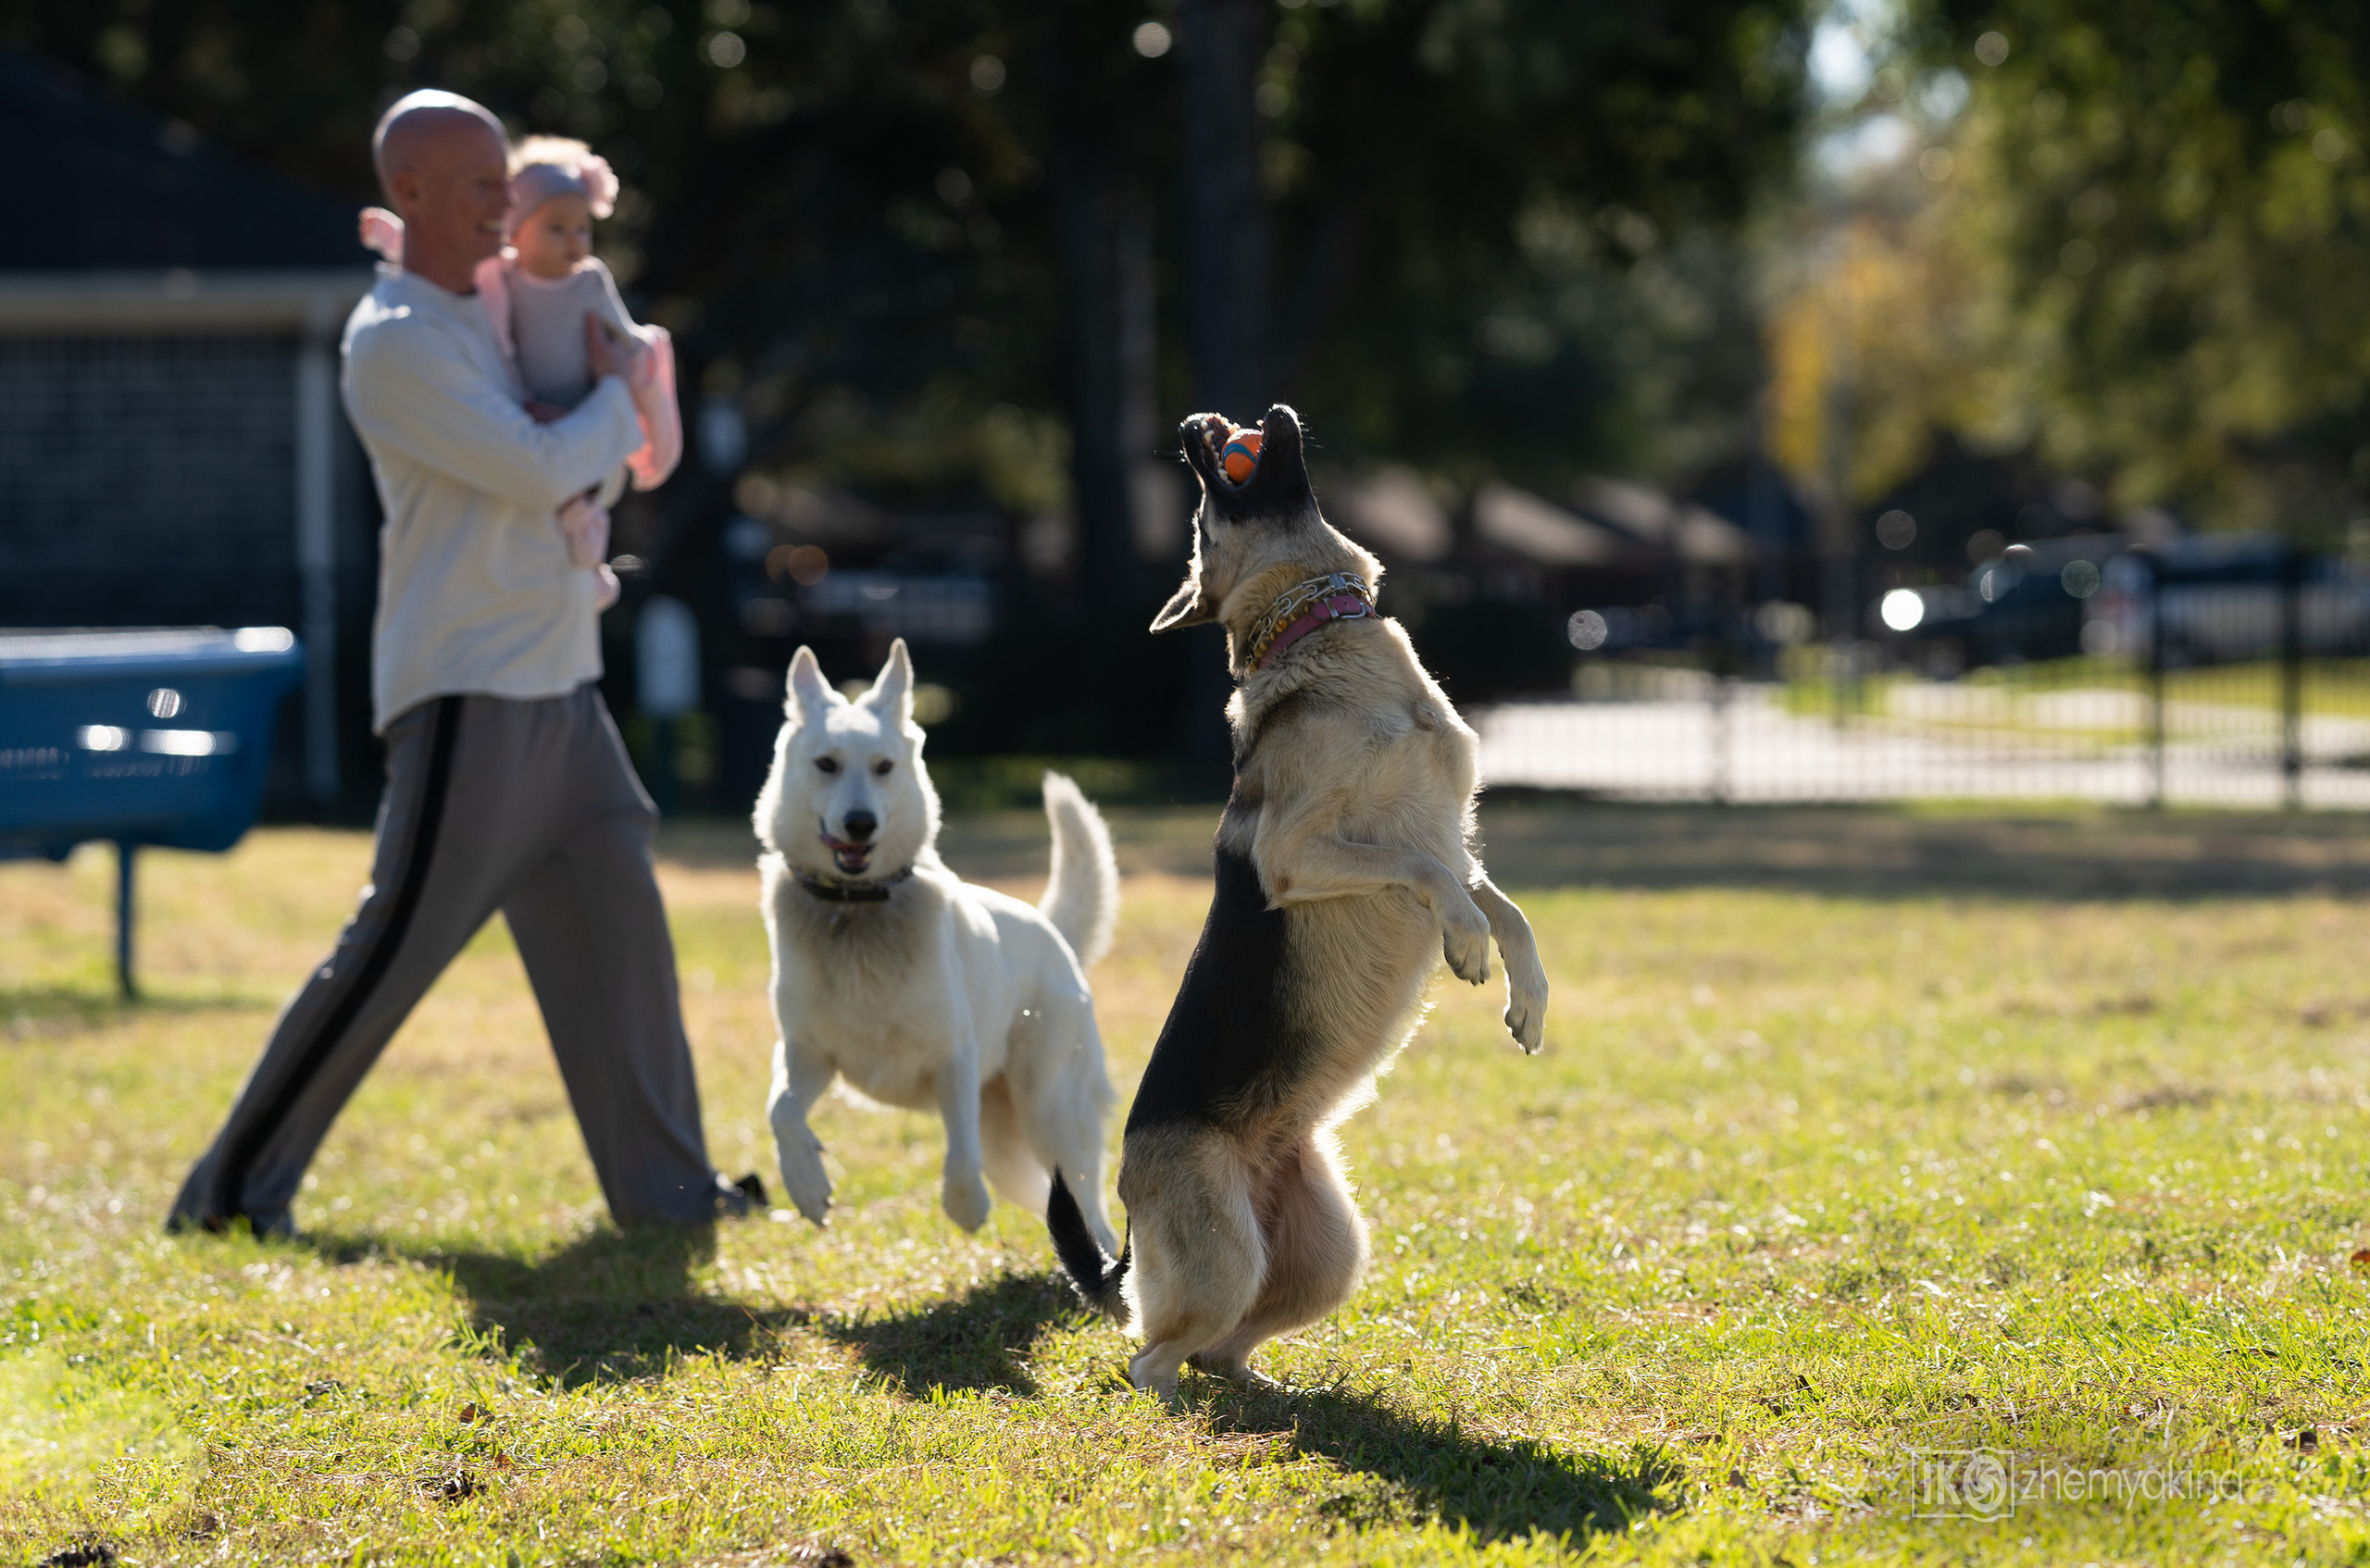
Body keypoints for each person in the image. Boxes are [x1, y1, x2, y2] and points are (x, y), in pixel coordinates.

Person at [168, 90, 752, 1236]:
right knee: (387, 952)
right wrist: (614, 391)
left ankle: (673, 1196)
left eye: (509, 176)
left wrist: (609, 411)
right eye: (482, 183)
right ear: (411, 195)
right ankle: (230, 1192)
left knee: (623, 943)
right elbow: (549, 466)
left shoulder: (501, 309)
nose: (512, 200)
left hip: (564, 691)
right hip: (465, 701)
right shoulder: (392, 343)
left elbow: (614, 468)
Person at [358, 133, 682, 611]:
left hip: (580, 400)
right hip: (530, 405)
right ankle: (574, 567)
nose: (574, 242)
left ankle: (590, 566)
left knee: (586, 484)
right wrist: (394, 238)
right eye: (556, 228)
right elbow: (436, 260)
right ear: (516, 229)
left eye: (582, 230)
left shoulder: (590, 281)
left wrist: (636, 372)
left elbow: (626, 336)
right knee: (551, 485)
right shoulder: (500, 274)